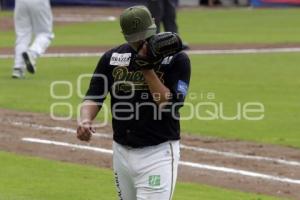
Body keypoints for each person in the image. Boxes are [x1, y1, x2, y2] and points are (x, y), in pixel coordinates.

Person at [77, 5, 191, 200]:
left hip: (158, 153)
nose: (141, 42)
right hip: (121, 151)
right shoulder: (112, 58)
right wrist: (85, 119)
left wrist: (147, 68)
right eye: (135, 38)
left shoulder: (176, 59)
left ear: (154, 25)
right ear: (124, 35)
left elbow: (168, 104)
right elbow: (95, 94)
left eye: (144, 36)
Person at [12, 0, 54, 79]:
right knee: (45, 33)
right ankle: (32, 53)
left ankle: (18, 68)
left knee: (22, 35)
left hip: (20, 2)